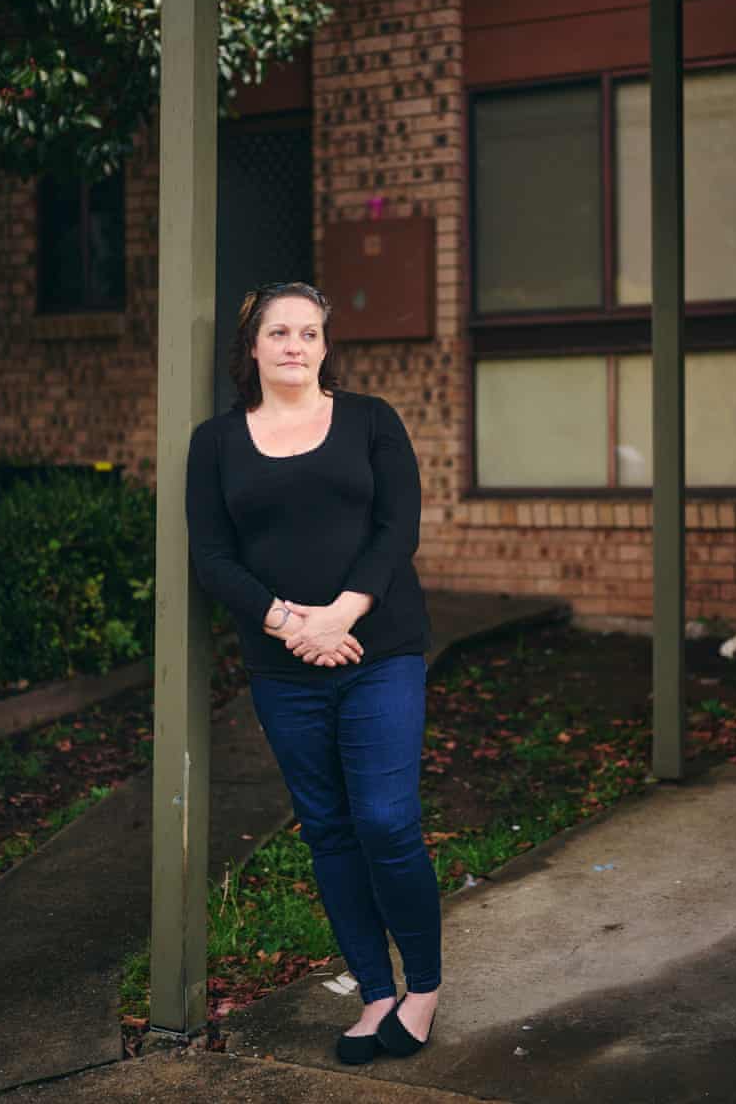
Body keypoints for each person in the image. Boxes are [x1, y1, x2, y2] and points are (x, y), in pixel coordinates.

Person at [185, 281, 441, 1064]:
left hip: (379, 651)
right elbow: (212, 557)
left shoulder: (370, 421)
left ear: (326, 347)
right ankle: (373, 992)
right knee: (328, 829)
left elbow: (400, 526)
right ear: (252, 348)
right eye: (279, 333)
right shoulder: (217, 443)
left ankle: (422, 987)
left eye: (310, 333)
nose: (295, 345)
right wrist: (294, 625)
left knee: (386, 821)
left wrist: (340, 615)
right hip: (284, 667)